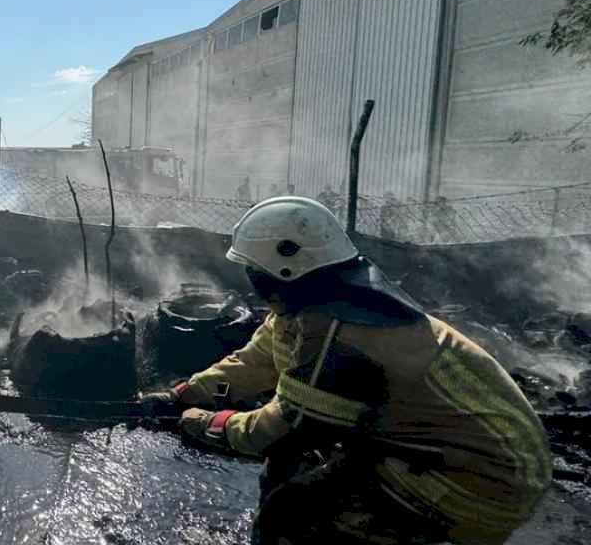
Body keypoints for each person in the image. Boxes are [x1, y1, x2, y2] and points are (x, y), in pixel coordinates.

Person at [140, 196, 551, 544]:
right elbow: (256, 361)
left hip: (478, 484)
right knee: (293, 472)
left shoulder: (344, 333)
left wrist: (201, 422)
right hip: (445, 451)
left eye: (254, 270)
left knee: (294, 517)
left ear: (279, 272)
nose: (251, 279)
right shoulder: (319, 300)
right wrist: (186, 394)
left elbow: (279, 430)